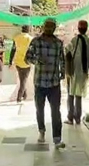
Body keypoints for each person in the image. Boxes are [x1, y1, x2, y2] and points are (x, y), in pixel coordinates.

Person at [25, 18, 66, 148]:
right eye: (47, 26)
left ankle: (57, 139)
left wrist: (63, 72)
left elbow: (62, 60)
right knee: (40, 110)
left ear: (55, 28)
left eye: (52, 27)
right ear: (43, 27)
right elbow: (27, 58)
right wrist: (37, 60)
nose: (49, 29)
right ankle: (41, 131)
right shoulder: (36, 42)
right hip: (40, 82)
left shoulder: (59, 43)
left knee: (56, 111)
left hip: (54, 83)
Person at [65, 20, 89, 125]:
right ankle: (77, 118)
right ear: (86, 29)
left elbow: (67, 51)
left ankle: (70, 117)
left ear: (78, 28)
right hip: (84, 71)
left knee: (70, 94)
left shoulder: (74, 40)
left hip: (74, 71)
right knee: (79, 94)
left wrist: (67, 68)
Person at [9, 25, 34, 103]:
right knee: (23, 80)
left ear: (22, 30)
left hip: (18, 62)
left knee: (22, 79)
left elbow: (13, 51)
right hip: (27, 62)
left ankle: (24, 94)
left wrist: (10, 62)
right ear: (28, 30)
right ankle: (19, 98)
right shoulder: (30, 39)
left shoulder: (16, 38)